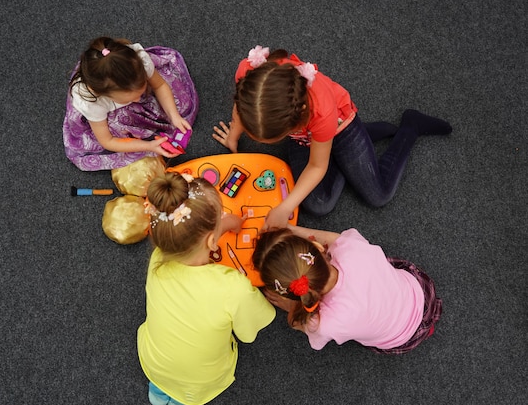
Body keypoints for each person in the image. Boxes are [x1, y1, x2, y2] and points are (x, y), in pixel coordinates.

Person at [213, 45, 452, 228]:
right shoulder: (249, 74)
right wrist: (234, 135)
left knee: (379, 195)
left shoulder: (321, 109)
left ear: (294, 123)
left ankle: (410, 127)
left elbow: (318, 166)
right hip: (307, 138)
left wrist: (285, 206)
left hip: (339, 127)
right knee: (318, 204)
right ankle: (360, 143)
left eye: (267, 140)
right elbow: (241, 107)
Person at [138, 172, 275, 405]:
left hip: (154, 365)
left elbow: (192, 237)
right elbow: (248, 334)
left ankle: (160, 395)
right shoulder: (234, 288)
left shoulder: (158, 258)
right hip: (199, 382)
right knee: (188, 393)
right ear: (213, 242)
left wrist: (224, 225)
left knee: (164, 387)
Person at [252, 225, 442, 354]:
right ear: (318, 246)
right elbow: (334, 239)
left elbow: (299, 324)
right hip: (421, 292)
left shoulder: (323, 323)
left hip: (401, 338)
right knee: (376, 261)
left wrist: (290, 307)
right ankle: (427, 324)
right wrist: (292, 229)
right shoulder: (351, 249)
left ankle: (425, 328)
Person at [63, 37, 198, 171]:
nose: (138, 101)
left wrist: (174, 115)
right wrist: (148, 146)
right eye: (130, 99)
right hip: (101, 115)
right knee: (120, 131)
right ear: (103, 94)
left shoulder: (139, 63)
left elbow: (160, 85)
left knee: (178, 103)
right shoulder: (92, 102)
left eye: (141, 91)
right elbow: (108, 141)